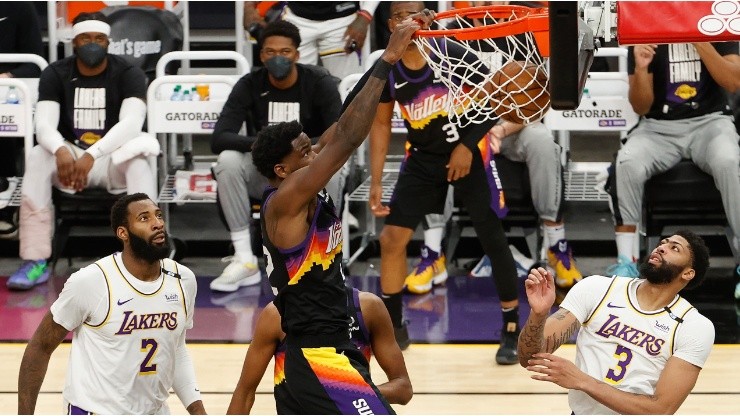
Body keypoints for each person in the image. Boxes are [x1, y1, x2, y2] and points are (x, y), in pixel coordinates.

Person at [249, 9, 429, 413]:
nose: (313, 153)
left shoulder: (302, 186)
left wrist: (393, 50)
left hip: (326, 349)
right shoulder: (286, 198)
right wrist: (386, 60)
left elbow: (345, 119)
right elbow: (348, 138)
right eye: (304, 152)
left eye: (312, 147)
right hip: (316, 355)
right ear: (282, 170)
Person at [350, 1, 521, 364]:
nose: (406, 21)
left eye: (413, 13)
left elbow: (492, 101)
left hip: (471, 153)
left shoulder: (451, 52)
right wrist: (377, 180)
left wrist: (466, 146)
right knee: (391, 238)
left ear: (427, 17)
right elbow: (380, 124)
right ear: (390, 24)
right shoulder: (387, 65)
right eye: (397, 16)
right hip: (424, 159)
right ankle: (394, 326)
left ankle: (510, 326)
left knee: (490, 235)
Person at [6, 12, 160, 291]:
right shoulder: (56, 73)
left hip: (110, 159)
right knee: (38, 156)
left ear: (108, 42)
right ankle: (35, 259)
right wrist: (61, 151)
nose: (93, 44)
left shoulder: (129, 73)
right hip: (69, 161)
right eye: (86, 38)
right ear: (74, 42)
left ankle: (144, 256)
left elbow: (131, 124)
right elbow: (43, 124)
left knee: (139, 160)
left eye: (99, 38)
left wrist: (93, 155)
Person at [17, 193, 205, 415]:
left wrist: (197, 409)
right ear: (123, 233)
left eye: (159, 215)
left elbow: (176, 349)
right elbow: (40, 346)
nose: (157, 224)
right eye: (144, 218)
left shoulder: (183, 279)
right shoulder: (90, 282)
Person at [210, 20, 345, 293]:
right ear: (261, 55)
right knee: (227, 160)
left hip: (309, 168)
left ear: (297, 53)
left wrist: (300, 152)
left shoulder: (319, 82)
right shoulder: (249, 84)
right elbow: (220, 137)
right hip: (269, 174)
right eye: (270, 52)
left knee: (335, 167)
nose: (278, 58)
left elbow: (339, 132)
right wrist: (270, 148)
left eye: (285, 52)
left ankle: (325, 257)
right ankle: (244, 259)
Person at [518, 230, 714, 415]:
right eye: (663, 243)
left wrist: (583, 381)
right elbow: (528, 357)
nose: (661, 248)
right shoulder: (597, 289)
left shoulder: (694, 326)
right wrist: (539, 314)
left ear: (688, 273)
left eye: (675, 248)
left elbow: (661, 409)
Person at [606, 42, 740, 283]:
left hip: (710, 121)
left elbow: (733, 82)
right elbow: (640, 106)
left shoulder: (712, 21)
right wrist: (641, 67)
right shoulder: (644, 30)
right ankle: (627, 263)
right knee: (627, 162)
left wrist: (698, 39)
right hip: (658, 128)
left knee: (728, 161)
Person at [226, 287, 413, 414]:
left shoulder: (367, 307)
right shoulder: (276, 315)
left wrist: (352, 395)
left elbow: (403, 388)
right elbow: (245, 392)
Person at [0, 1, 44, 239]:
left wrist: (6, 76)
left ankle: (5, 208)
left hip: (6, 92)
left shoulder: (17, 6)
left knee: (4, 118)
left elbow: (35, 63)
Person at [282, 1, 380, 79]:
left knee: (347, 86)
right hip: (297, 19)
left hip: (343, 21)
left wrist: (366, 14)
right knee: (296, 85)